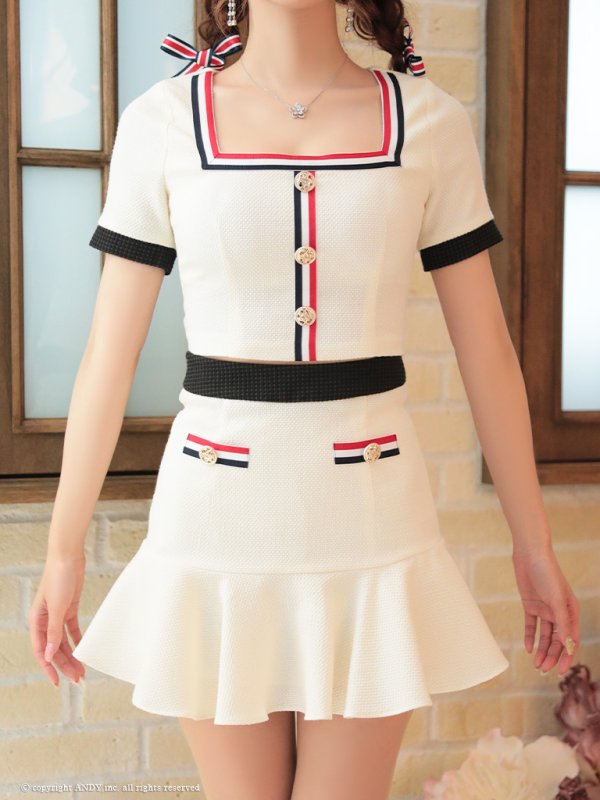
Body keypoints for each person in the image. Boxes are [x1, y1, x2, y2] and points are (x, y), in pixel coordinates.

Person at [28, 0, 580, 797]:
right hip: (215, 524)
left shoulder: (428, 121)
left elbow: (488, 354)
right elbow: (105, 360)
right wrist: (63, 550)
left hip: (372, 522)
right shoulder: (163, 121)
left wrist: (533, 546)